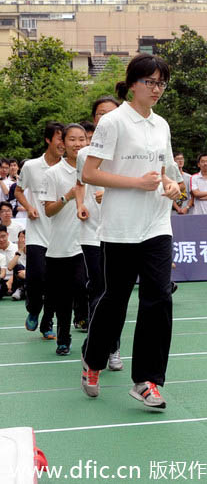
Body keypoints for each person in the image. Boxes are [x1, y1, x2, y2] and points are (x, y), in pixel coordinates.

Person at [79, 54, 181, 409]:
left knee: (159, 298)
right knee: (116, 299)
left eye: (161, 84)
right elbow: (90, 172)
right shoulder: (113, 122)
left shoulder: (162, 125)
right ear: (133, 82)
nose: (157, 89)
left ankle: (146, 380)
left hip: (157, 223)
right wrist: (135, 183)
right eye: (151, 82)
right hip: (121, 226)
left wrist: (171, 188)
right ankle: (93, 360)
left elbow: (170, 175)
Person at [75, 95, 123, 370]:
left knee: (114, 293)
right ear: (94, 120)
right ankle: (101, 349)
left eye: (110, 113)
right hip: (93, 232)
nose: (105, 119)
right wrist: (82, 203)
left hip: (120, 232)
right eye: (100, 114)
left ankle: (110, 347)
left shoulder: (129, 149)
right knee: (99, 290)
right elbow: (81, 183)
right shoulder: (84, 154)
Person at [42, 124, 89, 356]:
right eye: (72, 139)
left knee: (83, 285)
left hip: (87, 242)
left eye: (82, 139)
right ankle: (63, 338)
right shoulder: (53, 173)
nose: (77, 144)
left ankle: (84, 320)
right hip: (60, 247)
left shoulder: (94, 170)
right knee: (62, 297)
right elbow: (49, 210)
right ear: (63, 143)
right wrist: (67, 197)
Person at [15, 122, 64, 340]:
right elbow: (18, 191)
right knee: (36, 277)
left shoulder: (69, 168)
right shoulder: (31, 166)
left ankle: (47, 322)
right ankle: (34, 308)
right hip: (36, 232)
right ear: (48, 139)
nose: (63, 144)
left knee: (55, 282)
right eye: (60, 139)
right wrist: (29, 207)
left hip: (61, 234)